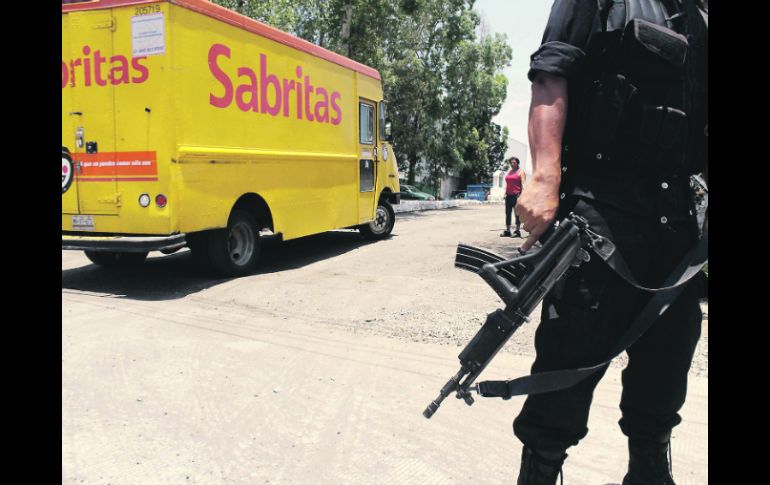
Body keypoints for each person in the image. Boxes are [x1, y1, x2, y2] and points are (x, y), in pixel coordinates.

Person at [512, 0, 708, 484]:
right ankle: (541, 469)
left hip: (678, 227)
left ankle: (648, 469)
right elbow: (550, 75)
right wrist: (544, 176)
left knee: (667, 366)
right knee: (567, 361)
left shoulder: (701, 16)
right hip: (600, 215)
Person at [501, 157, 526, 238]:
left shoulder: (520, 172)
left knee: (517, 214)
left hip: (516, 195)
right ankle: (508, 230)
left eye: (514, 162)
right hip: (508, 195)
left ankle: (517, 231)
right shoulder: (509, 172)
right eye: (511, 162)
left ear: (517, 163)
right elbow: (508, 184)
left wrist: (524, 194)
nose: (512, 164)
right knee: (507, 213)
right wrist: (505, 193)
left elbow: (523, 183)